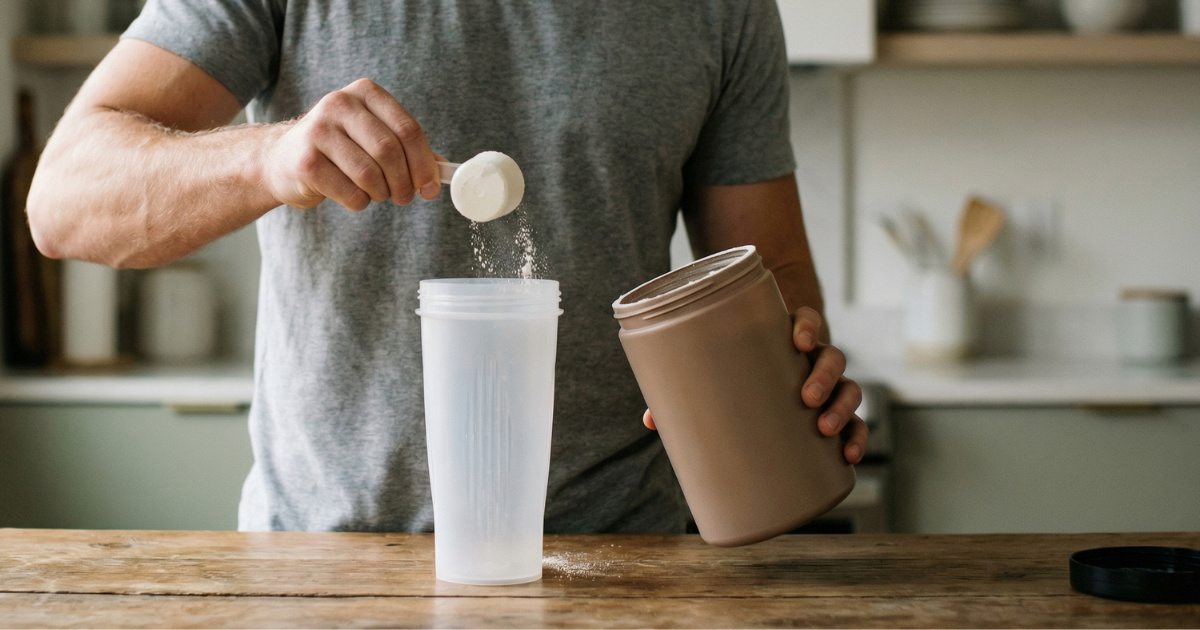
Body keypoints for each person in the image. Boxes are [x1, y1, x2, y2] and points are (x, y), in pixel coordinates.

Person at [26, 0, 868, 533]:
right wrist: (271, 158)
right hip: (328, 569)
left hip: (625, 559)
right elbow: (63, 202)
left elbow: (772, 271)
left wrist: (798, 370)